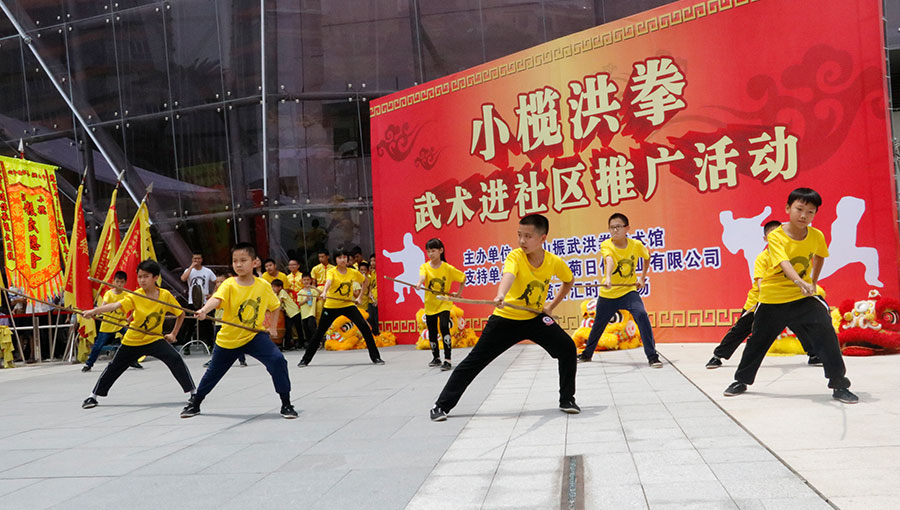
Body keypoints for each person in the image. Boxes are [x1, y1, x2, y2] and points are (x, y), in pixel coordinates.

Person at [430, 214, 579, 422]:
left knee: (567, 348)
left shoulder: (553, 262)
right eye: (519, 235)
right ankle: (441, 405)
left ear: (542, 238)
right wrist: (501, 294)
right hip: (505, 320)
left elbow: (568, 280)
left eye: (528, 236)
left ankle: (567, 399)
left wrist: (550, 306)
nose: (522, 241)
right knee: (474, 361)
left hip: (534, 319)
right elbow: (508, 275)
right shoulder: (515, 257)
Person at [723, 188, 858, 404]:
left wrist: (813, 281)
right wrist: (799, 281)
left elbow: (820, 256)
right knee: (757, 341)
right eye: (799, 209)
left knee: (826, 332)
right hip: (773, 300)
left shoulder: (816, 235)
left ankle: (839, 384)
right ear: (788, 208)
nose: (804, 215)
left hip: (802, 298)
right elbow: (784, 262)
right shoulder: (776, 236)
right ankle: (741, 381)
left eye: (810, 212)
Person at [182, 242, 297, 419]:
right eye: (235, 261)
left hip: (254, 336)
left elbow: (275, 306)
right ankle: (195, 403)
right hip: (229, 339)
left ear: (254, 262)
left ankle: (286, 404)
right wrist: (204, 310)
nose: (238, 264)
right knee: (213, 373)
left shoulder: (263, 285)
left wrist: (273, 327)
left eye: (243, 260)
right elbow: (217, 299)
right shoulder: (229, 284)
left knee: (278, 360)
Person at [81, 260, 196, 409]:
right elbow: (115, 305)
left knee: (175, 358)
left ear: (155, 278)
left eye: (146, 276)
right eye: (140, 276)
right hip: (133, 340)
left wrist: (173, 334)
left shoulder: (165, 295)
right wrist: (94, 311)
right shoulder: (135, 295)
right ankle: (93, 396)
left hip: (154, 338)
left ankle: (193, 393)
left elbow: (180, 314)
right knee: (114, 367)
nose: (142, 280)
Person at [706, 221, 821, 369]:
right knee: (741, 328)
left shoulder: (791, 255)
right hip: (760, 301)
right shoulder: (762, 258)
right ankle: (718, 356)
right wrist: (768, 298)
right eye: (771, 235)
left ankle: (814, 355)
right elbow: (761, 282)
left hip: (788, 299)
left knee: (801, 325)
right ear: (765, 239)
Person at [578, 213, 661, 368]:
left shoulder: (635, 245)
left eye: (618, 227)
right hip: (608, 294)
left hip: (629, 292)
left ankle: (653, 356)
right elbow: (609, 260)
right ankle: (587, 354)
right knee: (598, 324)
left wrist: (642, 278)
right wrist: (608, 278)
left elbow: (647, 256)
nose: (615, 230)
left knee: (641, 315)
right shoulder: (606, 244)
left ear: (627, 228)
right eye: (611, 227)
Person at [297, 248, 384, 367]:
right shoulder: (332, 271)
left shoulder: (352, 272)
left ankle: (376, 357)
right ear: (335, 260)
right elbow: (329, 282)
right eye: (339, 257)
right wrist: (324, 292)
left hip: (348, 305)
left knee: (365, 328)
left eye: (344, 257)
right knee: (319, 332)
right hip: (331, 306)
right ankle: (305, 360)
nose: (342, 260)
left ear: (347, 259)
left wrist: (360, 297)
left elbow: (365, 281)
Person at [417, 238, 465, 371]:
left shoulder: (447, 268)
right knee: (432, 331)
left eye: (433, 251)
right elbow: (422, 276)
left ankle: (447, 359)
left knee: (444, 327)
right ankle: (436, 357)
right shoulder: (425, 267)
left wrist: (458, 293)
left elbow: (463, 278)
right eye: (428, 251)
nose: (430, 254)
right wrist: (420, 283)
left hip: (444, 303)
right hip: (430, 305)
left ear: (441, 251)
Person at [82, 271, 143, 372]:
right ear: (113, 282)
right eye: (117, 281)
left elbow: (135, 307)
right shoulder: (109, 294)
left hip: (121, 323)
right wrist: (94, 313)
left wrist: (129, 318)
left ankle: (132, 361)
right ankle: (89, 364)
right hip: (108, 324)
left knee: (132, 340)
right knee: (98, 345)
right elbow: (103, 305)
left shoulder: (127, 295)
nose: (119, 284)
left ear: (125, 283)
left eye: (121, 282)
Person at [203, 273, 247, 368]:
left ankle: (242, 359)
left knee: (236, 340)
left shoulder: (232, 293)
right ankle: (214, 360)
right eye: (217, 282)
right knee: (217, 341)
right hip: (218, 321)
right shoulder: (216, 294)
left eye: (221, 282)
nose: (219, 284)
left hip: (230, 322)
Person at [180, 252, 217, 352]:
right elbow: (183, 278)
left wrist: (212, 294)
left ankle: (210, 344)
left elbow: (217, 281)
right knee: (190, 324)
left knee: (207, 324)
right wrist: (191, 267)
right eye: (195, 259)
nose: (197, 261)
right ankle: (187, 346)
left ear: (202, 259)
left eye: (198, 259)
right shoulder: (189, 270)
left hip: (204, 301)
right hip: (192, 301)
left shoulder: (207, 271)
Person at [272, 279, 304, 351]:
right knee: (288, 329)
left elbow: (279, 303)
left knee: (298, 328)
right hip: (288, 314)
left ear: (280, 287)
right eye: (272, 287)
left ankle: (301, 343)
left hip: (294, 312)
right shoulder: (277, 294)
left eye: (274, 287)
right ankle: (287, 345)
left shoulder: (282, 292)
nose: (273, 288)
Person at [297, 274, 320, 349]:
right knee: (306, 329)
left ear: (311, 280)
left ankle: (316, 342)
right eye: (304, 280)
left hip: (311, 312)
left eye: (308, 280)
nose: (306, 281)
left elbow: (321, 293)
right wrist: (306, 300)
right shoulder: (300, 292)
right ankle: (310, 343)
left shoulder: (313, 291)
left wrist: (314, 287)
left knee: (312, 326)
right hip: (304, 313)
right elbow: (299, 303)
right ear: (302, 281)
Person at [310, 250, 331, 321]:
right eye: (319, 257)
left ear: (327, 257)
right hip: (319, 289)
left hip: (330, 290)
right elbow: (313, 284)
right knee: (319, 310)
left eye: (322, 257)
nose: (321, 259)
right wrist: (315, 293)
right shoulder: (315, 268)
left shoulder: (333, 268)